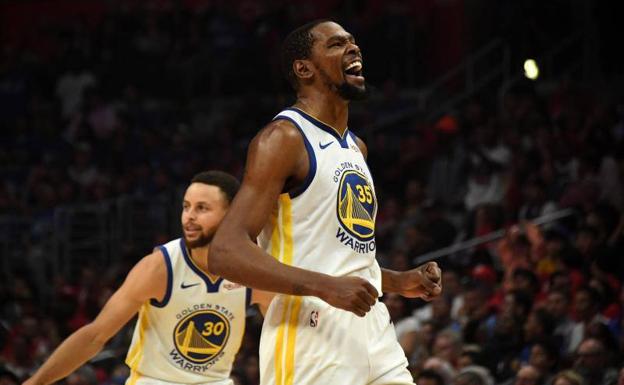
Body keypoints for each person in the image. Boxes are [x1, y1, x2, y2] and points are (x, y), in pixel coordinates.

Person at [210, 20, 442, 385]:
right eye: (336, 45)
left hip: (372, 328)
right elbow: (225, 252)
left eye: (353, 42)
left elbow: (334, 255)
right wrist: (327, 287)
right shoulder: (283, 138)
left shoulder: (356, 147)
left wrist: (398, 281)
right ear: (304, 68)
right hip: (309, 332)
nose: (353, 49)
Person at [22, 171, 272, 385]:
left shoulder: (251, 269)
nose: (189, 217)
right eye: (186, 207)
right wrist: (35, 382)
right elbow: (95, 336)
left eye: (202, 208)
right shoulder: (160, 267)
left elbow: (284, 334)